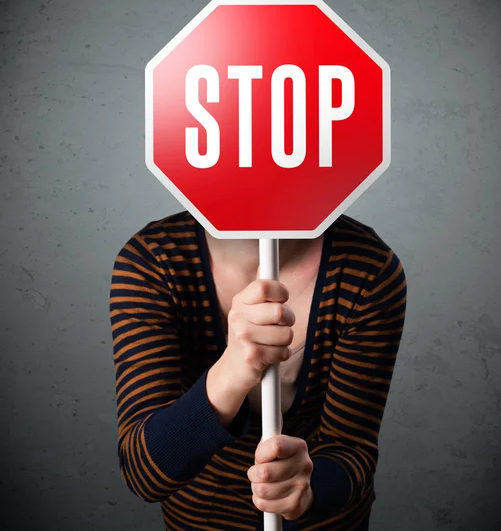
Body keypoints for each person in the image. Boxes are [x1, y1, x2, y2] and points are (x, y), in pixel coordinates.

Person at [109, 209, 407, 531]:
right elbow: (144, 473)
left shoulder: (367, 267)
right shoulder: (153, 260)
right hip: (201, 519)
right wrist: (233, 370)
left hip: (325, 524)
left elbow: (353, 451)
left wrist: (307, 488)